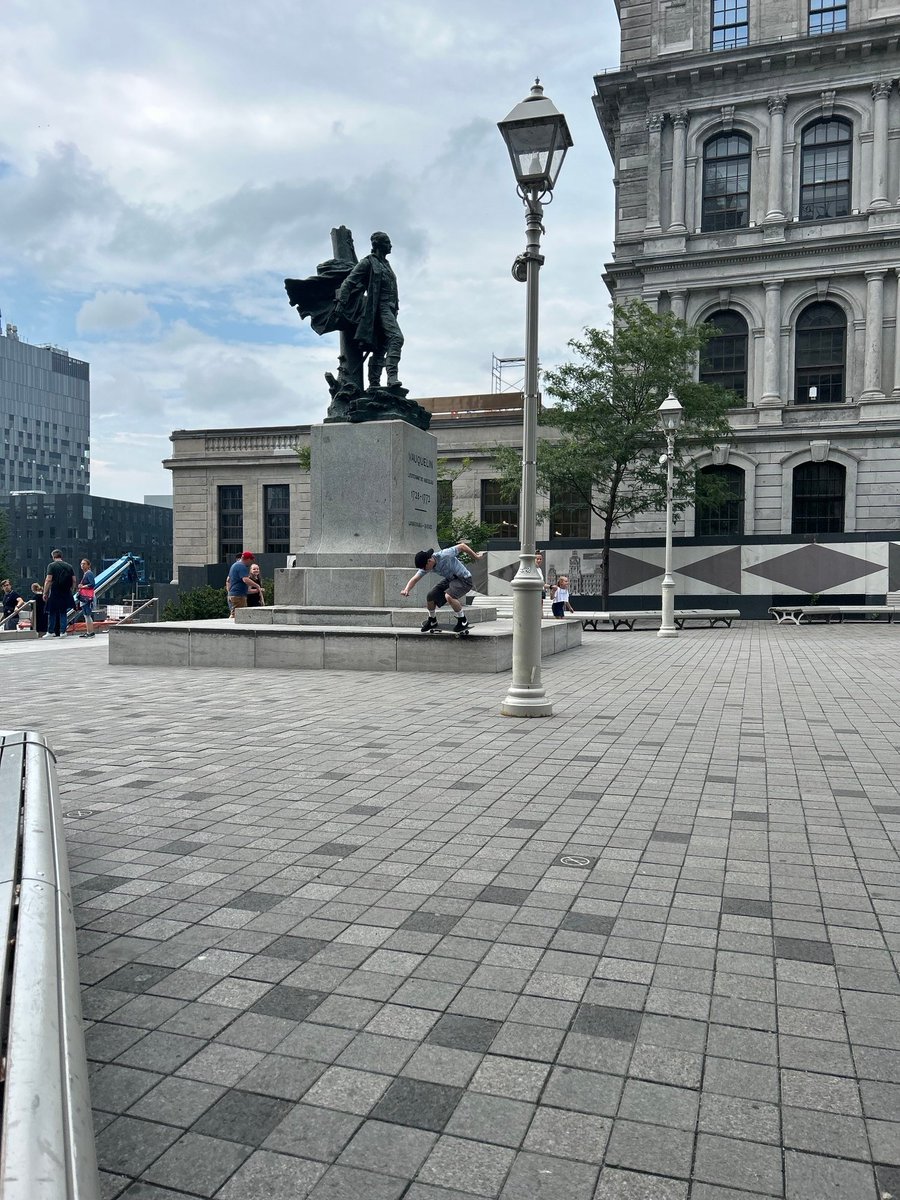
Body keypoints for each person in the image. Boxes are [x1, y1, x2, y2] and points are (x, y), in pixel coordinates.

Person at [333, 231, 404, 390]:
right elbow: (349, 282)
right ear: (378, 244)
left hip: (391, 310)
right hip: (379, 308)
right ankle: (392, 376)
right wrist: (341, 303)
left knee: (381, 347)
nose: (390, 245)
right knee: (396, 338)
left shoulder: (386, 264)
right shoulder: (368, 262)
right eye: (387, 242)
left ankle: (374, 384)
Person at [401, 543, 484, 634]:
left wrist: (475, 557)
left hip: (464, 580)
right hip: (450, 580)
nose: (424, 570)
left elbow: (462, 546)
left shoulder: (444, 554)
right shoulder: (426, 566)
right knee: (430, 596)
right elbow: (415, 578)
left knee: (449, 596)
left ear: (429, 561)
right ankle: (432, 620)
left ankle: (463, 620)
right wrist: (406, 589)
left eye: (424, 568)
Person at [43, 550, 76, 638]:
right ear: (61, 556)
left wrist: (45, 592)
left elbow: (49, 580)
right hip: (66, 592)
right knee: (63, 612)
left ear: (53, 556)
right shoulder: (69, 566)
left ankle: (50, 632)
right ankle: (63, 632)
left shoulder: (51, 566)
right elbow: (74, 580)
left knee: (52, 611)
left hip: (55, 591)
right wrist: (71, 590)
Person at [226, 550, 258, 617]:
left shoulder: (234, 565)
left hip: (233, 594)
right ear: (247, 559)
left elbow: (228, 580)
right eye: (251, 560)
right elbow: (245, 580)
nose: (251, 562)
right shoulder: (241, 566)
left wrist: (229, 591)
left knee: (234, 614)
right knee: (239, 616)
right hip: (238, 596)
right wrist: (256, 585)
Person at [76, 558, 97, 638]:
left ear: (88, 565)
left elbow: (92, 584)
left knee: (87, 615)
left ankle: (90, 632)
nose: (82, 565)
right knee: (86, 615)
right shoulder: (86, 573)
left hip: (86, 597)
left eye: (84, 564)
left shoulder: (88, 573)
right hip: (85, 597)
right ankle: (89, 632)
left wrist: (83, 586)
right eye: (81, 564)